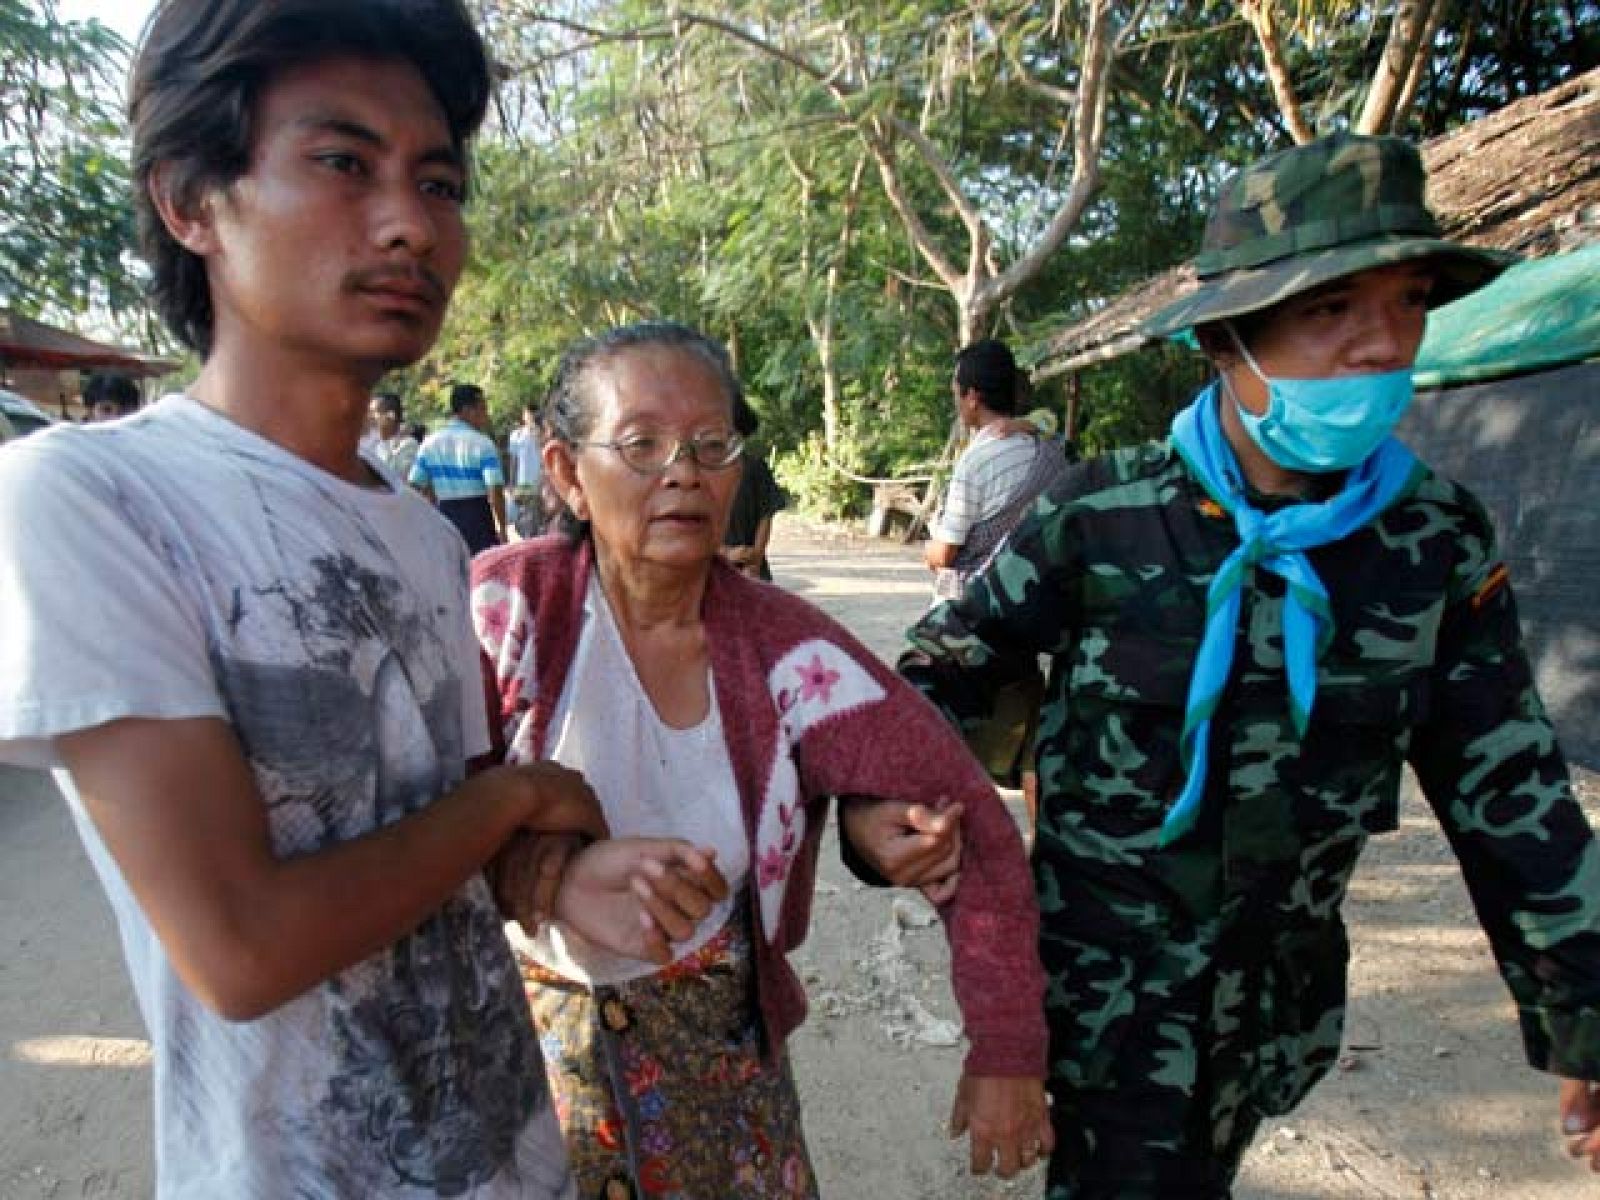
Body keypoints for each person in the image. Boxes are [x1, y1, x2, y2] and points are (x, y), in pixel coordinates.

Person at [0, 4, 722, 1196]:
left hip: (511, 1155)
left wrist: (557, 874)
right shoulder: (86, 500)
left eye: (437, 183)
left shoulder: (416, 536)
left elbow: (439, 846)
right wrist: (521, 794)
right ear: (192, 201)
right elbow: (242, 947)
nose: (410, 226)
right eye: (341, 163)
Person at [899, 132, 1600, 1198]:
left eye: (1407, 302)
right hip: (1100, 997)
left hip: (1271, 1007)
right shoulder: (1103, 512)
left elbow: (1511, 795)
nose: (1382, 345)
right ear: (1226, 338)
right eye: (1332, 310)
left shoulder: (1433, 542)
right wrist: (922, 823)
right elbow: (932, 676)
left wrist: (1584, 1027)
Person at [470, 320, 1053, 1197]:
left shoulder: (790, 653)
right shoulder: (503, 610)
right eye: (641, 444)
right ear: (565, 474)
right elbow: (388, 819)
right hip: (514, 1049)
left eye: (712, 445)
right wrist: (544, 875)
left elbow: (966, 818)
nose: (684, 473)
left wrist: (1008, 1048)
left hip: (721, 1067)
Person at [925, 339, 1070, 603]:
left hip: (980, 608)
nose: (955, 400)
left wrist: (929, 550)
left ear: (972, 398)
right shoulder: (1048, 448)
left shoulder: (976, 462)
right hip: (1034, 602)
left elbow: (944, 555)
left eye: (955, 392)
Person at [411, 381, 507, 553]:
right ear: (467, 411)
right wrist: (502, 528)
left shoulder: (429, 444)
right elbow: (495, 490)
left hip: (445, 517)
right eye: (482, 408)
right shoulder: (483, 444)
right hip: (478, 518)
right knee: (482, 573)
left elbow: (414, 484)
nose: (486, 414)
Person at [719, 393, 787, 580]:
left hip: (752, 565)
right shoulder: (700, 471)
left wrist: (755, 559)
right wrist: (725, 554)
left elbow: (766, 514)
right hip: (713, 569)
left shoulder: (755, 467)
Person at [507, 398, 546, 538]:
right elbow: (513, 461)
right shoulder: (516, 435)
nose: (528, 416)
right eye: (526, 413)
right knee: (523, 518)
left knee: (541, 517)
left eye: (531, 413)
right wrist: (511, 484)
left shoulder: (544, 433)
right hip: (523, 483)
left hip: (541, 482)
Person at [368, 389, 420, 480]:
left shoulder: (409, 444)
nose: (370, 417)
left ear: (391, 415)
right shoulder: (374, 442)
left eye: (374, 412)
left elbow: (394, 477)